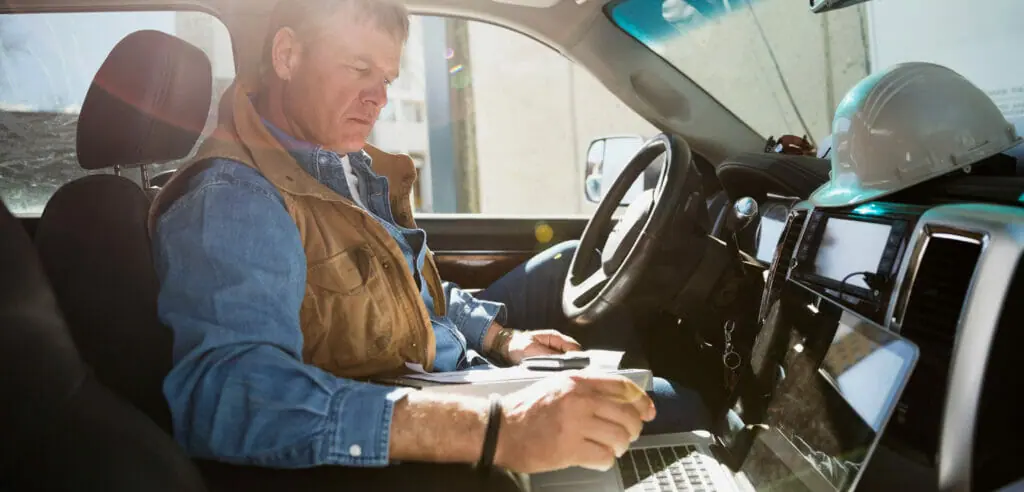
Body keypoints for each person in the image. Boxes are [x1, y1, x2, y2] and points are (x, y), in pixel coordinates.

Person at [148, 0, 710, 483]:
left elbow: (415, 287)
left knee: (567, 269)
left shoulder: (340, 163)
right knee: (689, 407)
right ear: (288, 56)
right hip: (423, 410)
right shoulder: (233, 198)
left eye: (386, 79)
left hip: (446, 371)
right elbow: (225, 393)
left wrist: (504, 339)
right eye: (358, 67)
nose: (379, 99)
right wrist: (494, 428)